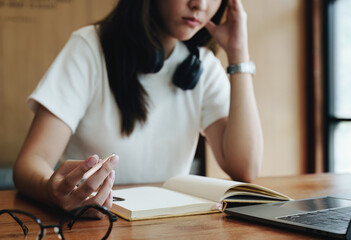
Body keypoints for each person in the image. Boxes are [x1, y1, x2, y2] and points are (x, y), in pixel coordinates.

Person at [13, 0, 263, 217]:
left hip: (168, 225)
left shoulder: (203, 66)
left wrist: (238, 53)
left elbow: (245, 168)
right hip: (95, 224)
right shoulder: (89, 48)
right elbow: (30, 163)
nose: (200, 4)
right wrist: (55, 191)